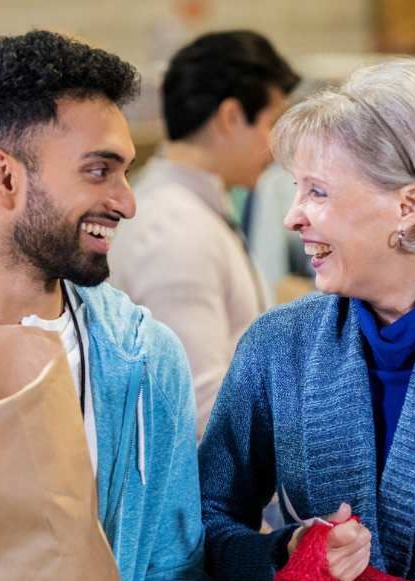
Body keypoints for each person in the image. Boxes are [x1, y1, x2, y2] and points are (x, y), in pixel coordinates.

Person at [0, 30, 207, 581]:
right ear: (6, 177)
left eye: (126, 173)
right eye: (100, 171)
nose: (127, 201)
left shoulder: (147, 360)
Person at [199, 58, 415, 581]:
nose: (292, 217)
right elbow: (204, 523)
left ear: (408, 207)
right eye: (296, 189)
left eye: (318, 191)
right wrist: (284, 556)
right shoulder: (277, 349)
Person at [109, 31, 299, 437]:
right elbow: (200, 409)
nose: (277, 145)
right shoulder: (176, 230)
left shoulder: (191, 208)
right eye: (272, 123)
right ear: (231, 117)